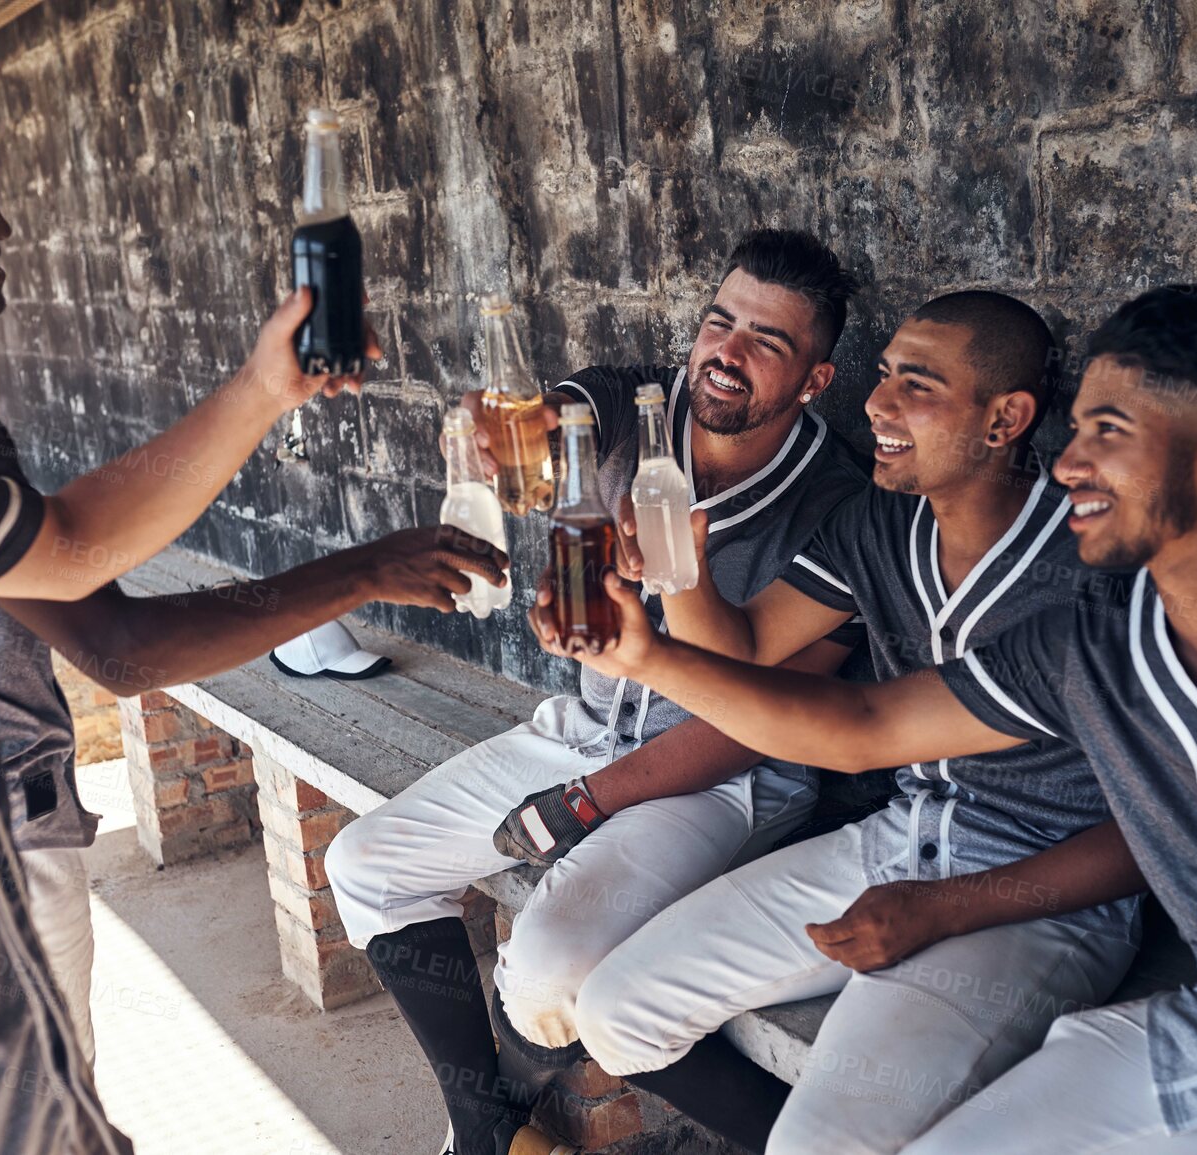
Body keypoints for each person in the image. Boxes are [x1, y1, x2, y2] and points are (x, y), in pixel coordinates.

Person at [560, 287, 1197, 1155]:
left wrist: (951, 907)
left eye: (1107, 433)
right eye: (1076, 429)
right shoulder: (1097, 639)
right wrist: (648, 656)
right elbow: (861, 722)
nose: (1070, 462)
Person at [0, 92, 507, 1062]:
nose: (1, 225)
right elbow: (112, 632)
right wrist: (362, 564)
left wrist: (275, 414)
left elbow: (82, 582)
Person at [524, 291, 1149, 1153]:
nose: (876, 403)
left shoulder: (1094, 568)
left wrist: (947, 908)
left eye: (915, 385)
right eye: (883, 373)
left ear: (1005, 419)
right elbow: (744, 656)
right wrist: (683, 573)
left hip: (1041, 897)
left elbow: (1145, 841)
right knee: (616, 1010)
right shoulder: (880, 522)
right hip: (903, 837)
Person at [325, 229, 872, 1155]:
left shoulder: (841, 506)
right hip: (577, 729)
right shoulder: (635, 402)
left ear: (815, 378)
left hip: (720, 779)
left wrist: (585, 802)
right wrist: (497, 434)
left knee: (548, 973)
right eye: (718, 324)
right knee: (366, 864)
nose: (725, 355)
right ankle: (488, 1129)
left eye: (765, 342)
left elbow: (753, 728)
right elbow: (545, 419)